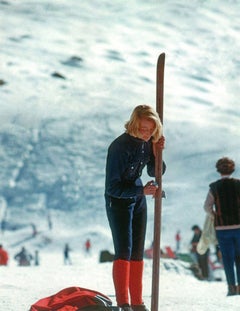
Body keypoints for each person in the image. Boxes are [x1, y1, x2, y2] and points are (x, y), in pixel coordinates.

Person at [105, 105, 166, 311]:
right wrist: (141, 192)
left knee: (138, 250)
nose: (147, 133)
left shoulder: (147, 143)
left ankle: (137, 302)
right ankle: (124, 303)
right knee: (124, 250)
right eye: (143, 128)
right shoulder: (118, 147)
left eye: (150, 129)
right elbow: (113, 187)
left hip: (139, 197)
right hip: (118, 200)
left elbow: (154, 171)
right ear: (134, 124)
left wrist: (157, 152)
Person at [203, 157, 240, 295]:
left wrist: (215, 216)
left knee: (227, 258)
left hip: (222, 229)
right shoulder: (238, 184)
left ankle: (231, 287)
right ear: (233, 169)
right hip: (239, 228)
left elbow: (207, 207)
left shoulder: (214, 187)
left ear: (218, 170)